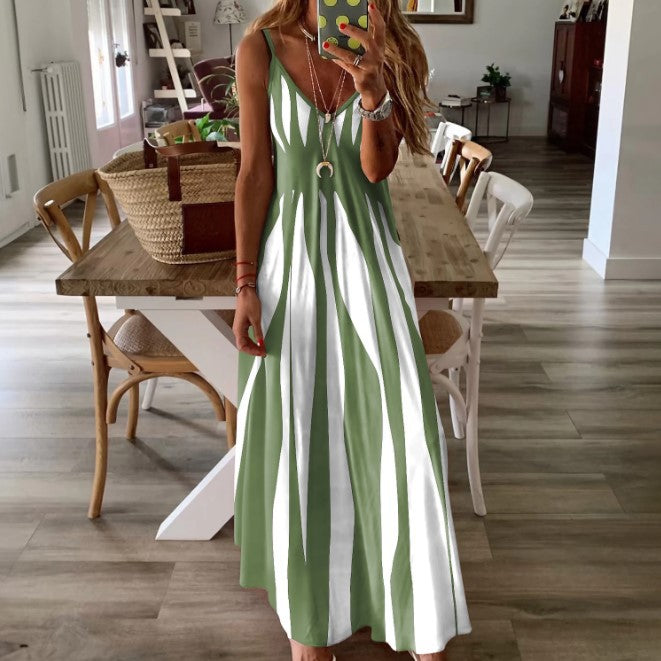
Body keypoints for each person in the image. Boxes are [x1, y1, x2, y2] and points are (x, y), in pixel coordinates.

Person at [231, 1, 471, 659]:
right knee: (300, 434)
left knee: (396, 431)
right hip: (288, 268)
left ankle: (415, 608)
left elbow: (374, 169)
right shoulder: (260, 48)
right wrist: (245, 283)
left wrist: (372, 92)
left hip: (369, 262)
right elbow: (254, 172)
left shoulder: (387, 46)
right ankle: (310, 624)